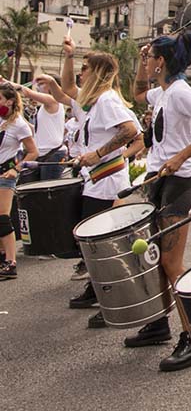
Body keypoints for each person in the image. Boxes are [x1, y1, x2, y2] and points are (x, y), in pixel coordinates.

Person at [127, 31, 191, 371]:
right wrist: (142, 62)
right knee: (158, 260)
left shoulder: (182, 92)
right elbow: (138, 94)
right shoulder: (164, 92)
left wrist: (181, 157)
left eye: (151, 56)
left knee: (172, 262)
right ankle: (159, 323)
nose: (148, 60)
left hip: (179, 183)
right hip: (160, 181)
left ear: (163, 61)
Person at [37, 49, 143, 328]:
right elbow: (66, 90)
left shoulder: (107, 100)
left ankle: (110, 296)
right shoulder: (93, 102)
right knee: (89, 242)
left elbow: (131, 130)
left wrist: (97, 154)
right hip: (96, 180)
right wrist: (68, 57)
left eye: (86, 68)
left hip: (106, 180)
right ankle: (97, 290)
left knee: (99, 244)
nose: (82, 73)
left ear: (97, 72)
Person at [0, 84, 38, 280]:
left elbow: (33, 152)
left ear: (10, 101)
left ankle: (11, 262)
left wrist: (16, 169)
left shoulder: (19, 124)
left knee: (2, 218)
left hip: (5, 175)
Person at [15, 75, 66, 182]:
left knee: (47, 191)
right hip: (43, 154)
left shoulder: (53, 101)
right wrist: (18, 115)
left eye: (42, 84)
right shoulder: (44, 107)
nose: (38, 87)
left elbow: (27, 92)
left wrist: (5, 83)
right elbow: (35, 131)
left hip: (53, 154)